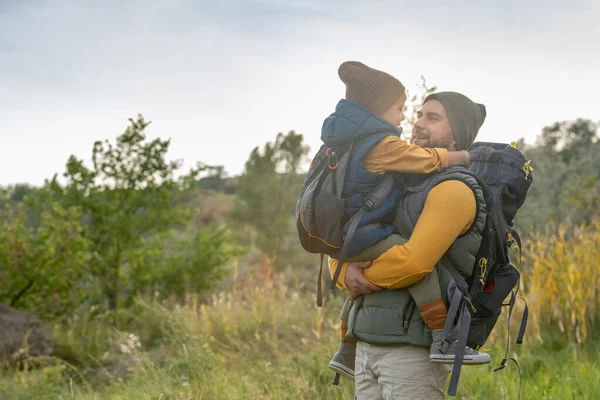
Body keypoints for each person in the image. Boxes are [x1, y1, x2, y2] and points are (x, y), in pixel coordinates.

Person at [328, 91, 489, 399]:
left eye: (433, 118)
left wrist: (356, 276)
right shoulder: (395, 182)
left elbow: (413, 263)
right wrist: (342, 270)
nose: (418, 124)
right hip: (366, 344)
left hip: (412, 352)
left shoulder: (454, 189)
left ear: (458, 135)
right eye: (418, 115)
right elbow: (345, 241)